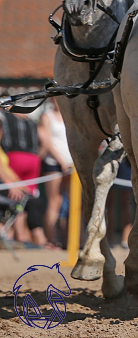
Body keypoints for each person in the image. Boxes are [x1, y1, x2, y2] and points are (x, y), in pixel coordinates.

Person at [0, 109, 48, 246]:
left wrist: (18, 185)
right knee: (22, 201)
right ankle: (24, 238)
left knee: (29, 200)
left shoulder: (2, 150)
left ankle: (32, 238)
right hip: (4, 187)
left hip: (8, 184)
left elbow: (7, 171)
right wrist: (12, 185)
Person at [38, 100, 72, 248]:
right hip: (54, 164)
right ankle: (52, 240)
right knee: (55, 202)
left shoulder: (69, 115)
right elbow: (48, 141)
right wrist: (61, 161)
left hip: (71, 166)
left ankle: (69, 240)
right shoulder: (47, 116)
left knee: (73, 204)